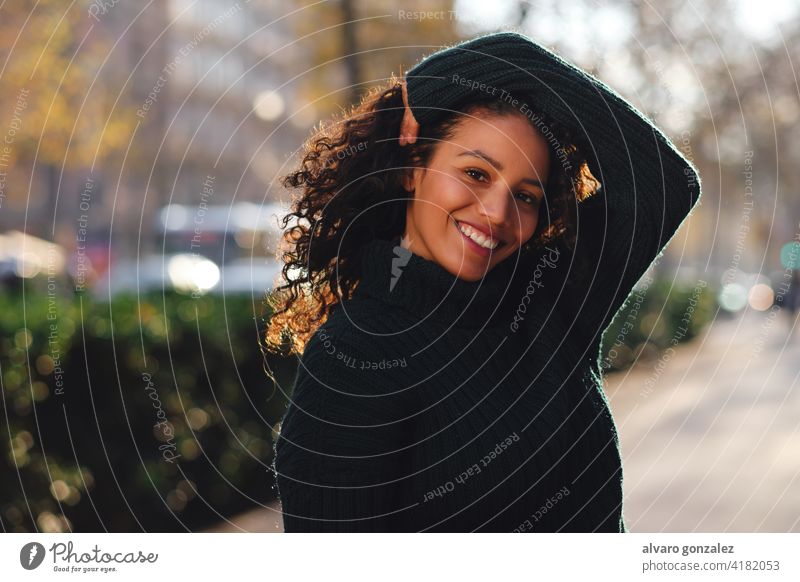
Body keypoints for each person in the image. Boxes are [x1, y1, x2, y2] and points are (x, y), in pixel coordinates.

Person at [265, 30, 701, 532]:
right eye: (475, 173)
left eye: (527, 195)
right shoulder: (351, 360)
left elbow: (665, 184)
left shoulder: (552, 298)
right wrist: (427, 88)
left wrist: (507, 65)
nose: (497, 212)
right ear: (412, 165)